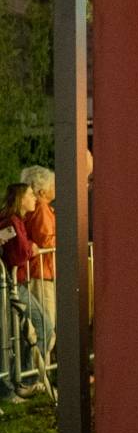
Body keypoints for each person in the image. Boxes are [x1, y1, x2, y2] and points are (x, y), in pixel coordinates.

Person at [1, 183, 50, 399]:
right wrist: (31, 248)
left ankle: (22, 378)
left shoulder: (16, 221)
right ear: (21, 199)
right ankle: (24, 380)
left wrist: (28, 246)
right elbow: (18, 254)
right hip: (11, 285)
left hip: (14, 283)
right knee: (41, 325)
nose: (35, 198)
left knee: (40, 327)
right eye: (31, 195)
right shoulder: (10, 221)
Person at [19, 166, 56, 361]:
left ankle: (39, 374)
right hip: (40, 273)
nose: (56, 188)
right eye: (52, 185)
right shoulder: (41, 208)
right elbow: (46, 240)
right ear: (42, 191)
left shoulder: (37, 208)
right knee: (44, 324)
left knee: (40, 325)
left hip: (38, 271)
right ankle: (39, 376)